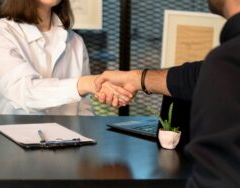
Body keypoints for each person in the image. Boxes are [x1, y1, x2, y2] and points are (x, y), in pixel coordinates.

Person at [95, 0, 240, 187]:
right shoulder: (226, 62)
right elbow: (196, 77)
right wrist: (136, 79)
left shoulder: (228, 61)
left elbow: (216, 177)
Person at [0, 0, 132, 115]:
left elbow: (84, 110)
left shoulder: (75, 41)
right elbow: (24, 92)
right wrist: (84, 84)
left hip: (67, 144)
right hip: (8, 143)